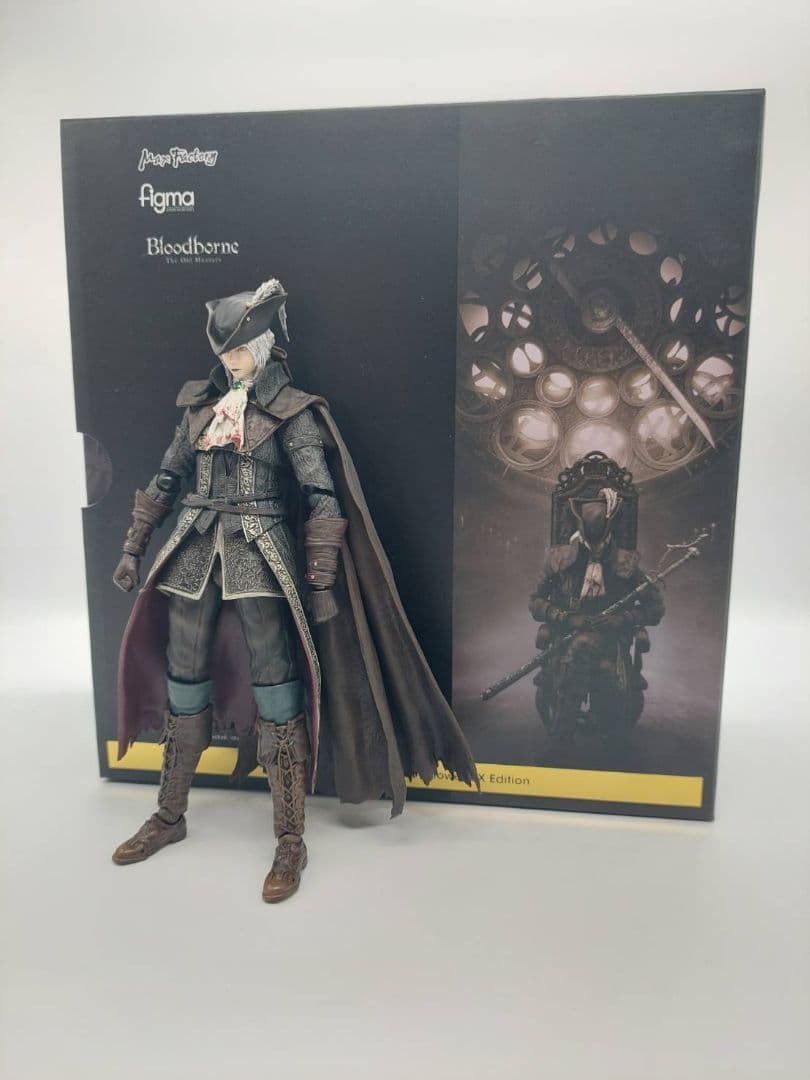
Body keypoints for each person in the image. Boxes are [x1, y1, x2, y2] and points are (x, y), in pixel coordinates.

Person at [111, 278, 477, 902]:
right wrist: (132, 546)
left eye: (239, 349)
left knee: (277, 687)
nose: (230, 361)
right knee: (183, 679)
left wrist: (321, 578)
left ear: (262, 345)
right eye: (224, 351)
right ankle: (169, 814)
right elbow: (167, 476)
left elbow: (322, 497)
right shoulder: (199, 408)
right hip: (193, 550)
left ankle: (290, 837)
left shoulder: (292, 412)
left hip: (260, 553)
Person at [529, 453, 665, 740]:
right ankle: (578, 731)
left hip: (612, 640)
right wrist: (566, 617)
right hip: (567, 634)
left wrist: (622, 619)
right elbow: (536, 602)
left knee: (586, 650)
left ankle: (567, 731)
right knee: (582, 646)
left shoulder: (626, 562)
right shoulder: (559, 559)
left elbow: (655, 607)